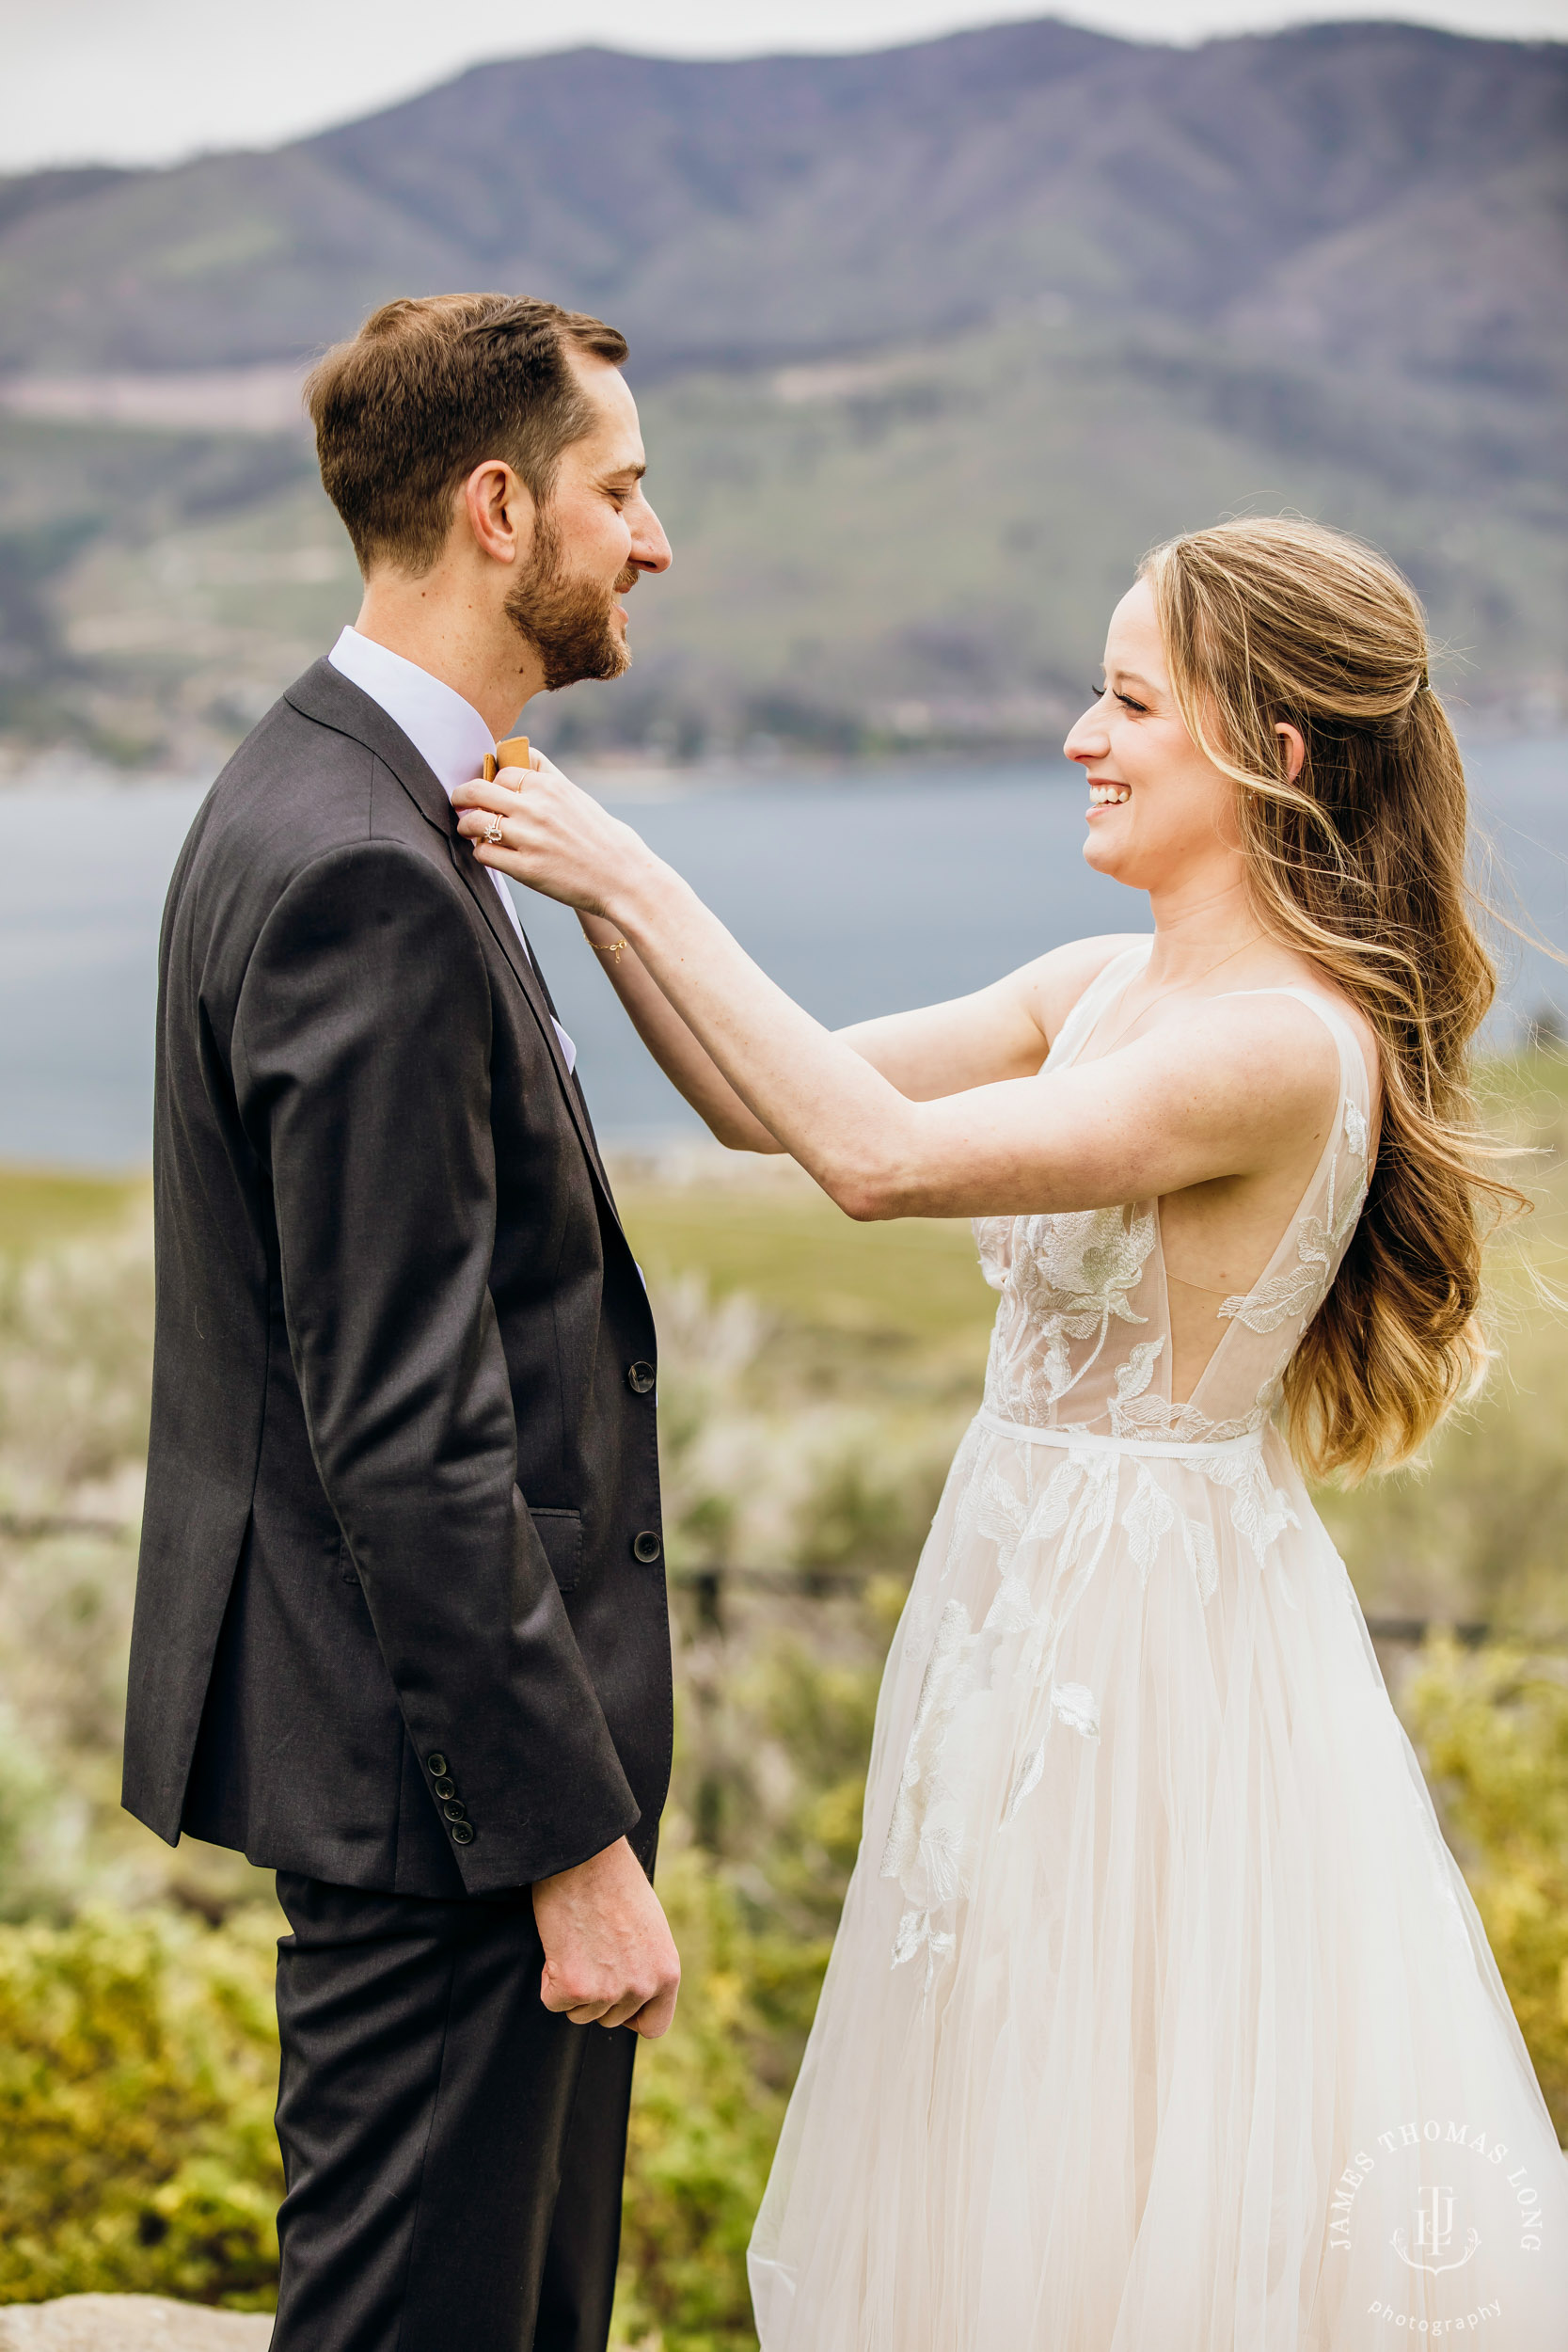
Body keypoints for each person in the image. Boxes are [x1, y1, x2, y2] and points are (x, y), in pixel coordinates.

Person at [453, 516, 1568, 2347]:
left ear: (1271, 756)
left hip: (1147, 1652)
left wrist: (631, 869)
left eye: (1130, 699)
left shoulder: (1284, 1046)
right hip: (1022, 1601)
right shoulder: (1103, 985)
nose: (1079, 732)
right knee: (993, 2080)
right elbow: (771, 1102)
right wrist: (587, 893)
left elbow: (879, 1165)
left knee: (1109, 2109)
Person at [122, 293, 680, 2352]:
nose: (653, 535)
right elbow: (408, 1428)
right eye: (623, 491)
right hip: (441, 1802)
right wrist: (567, 1845)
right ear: (497, 503)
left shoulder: (335, 790)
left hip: (424, 1773)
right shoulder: (361, 858)